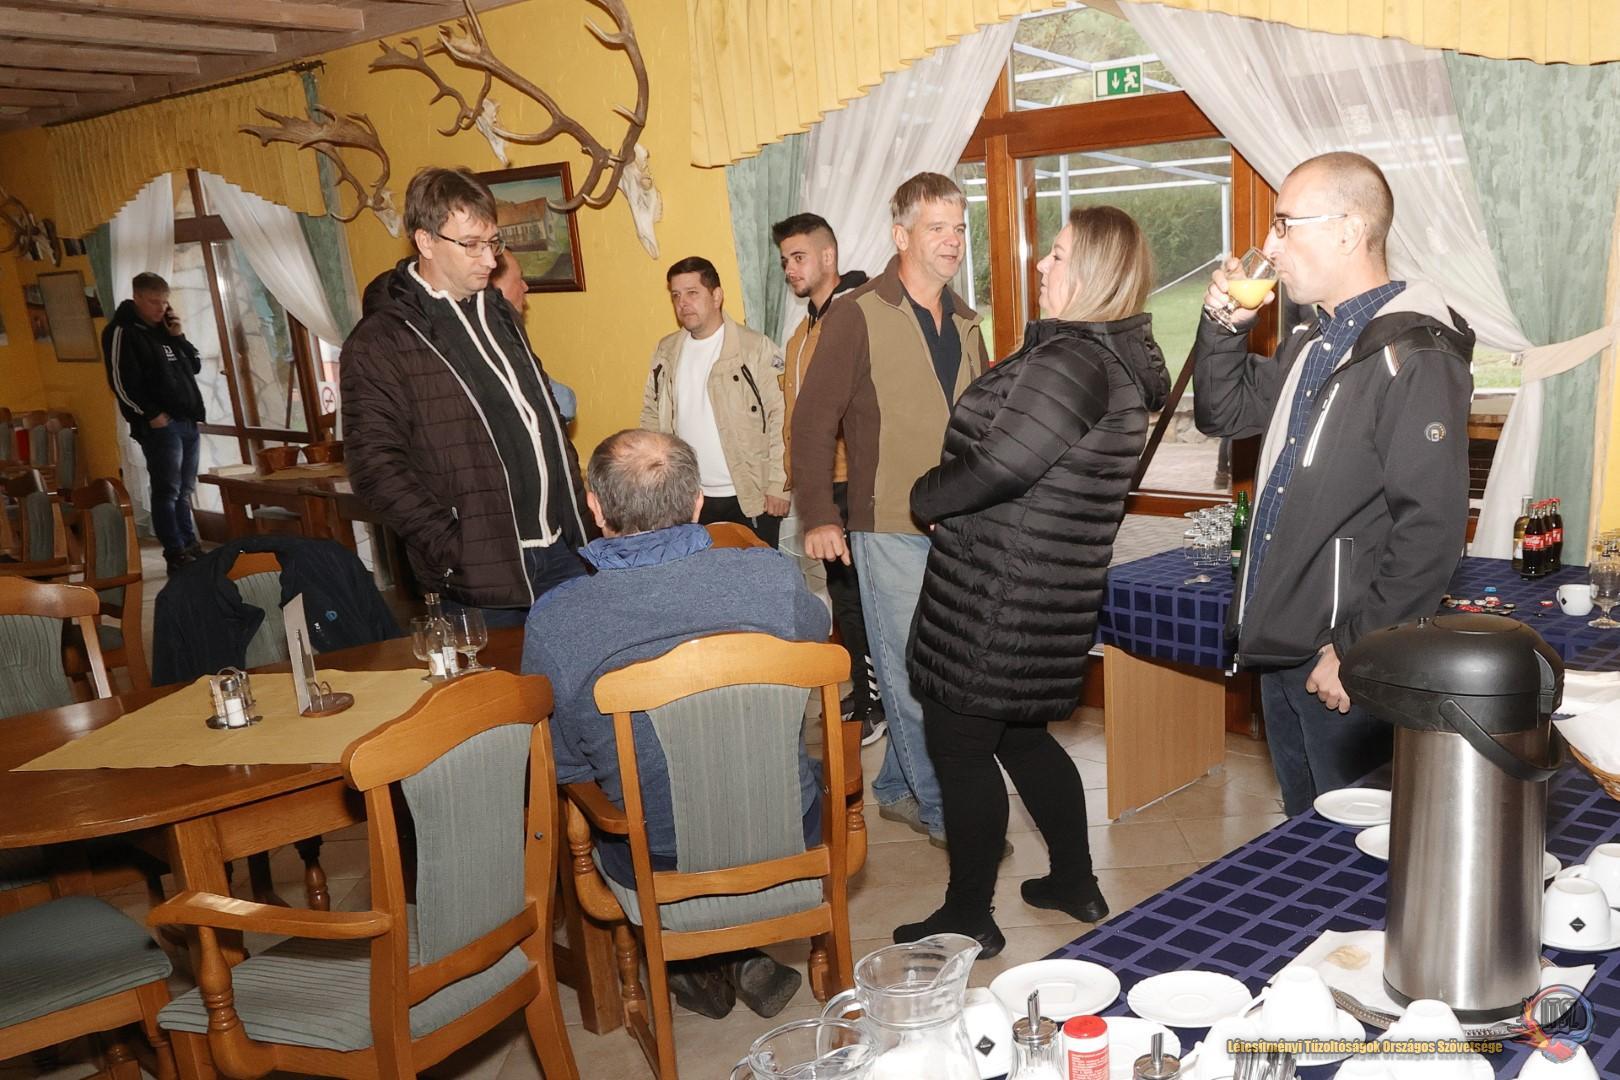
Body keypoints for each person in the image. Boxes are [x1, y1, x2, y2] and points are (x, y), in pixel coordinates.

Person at [895, 207, 1169, 953]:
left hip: (999, 591)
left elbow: (999, 466)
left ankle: (968, 914)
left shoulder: (1074, 361)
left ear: (1096, 273)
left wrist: (925, 498)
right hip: (1043, 586)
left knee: (960, 746)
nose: (1042, 265)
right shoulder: (1108, 359)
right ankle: (1073, 880)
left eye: (1059, 254)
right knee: (1021, 737)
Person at [1193, 151, 1474, 816]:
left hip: (1340, 656)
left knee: (1355, 849)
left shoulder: (1414, 353)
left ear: (1349, 231)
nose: (1270, 248)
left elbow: (1431, 527)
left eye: (1285, 225)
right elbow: (1223, 413)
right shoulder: (1317, 341)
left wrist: (1354, 649)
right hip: (1285, 642)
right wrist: (1224, 327)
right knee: (1304, 832)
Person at [523, 429, 826, 1021]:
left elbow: (564, 761)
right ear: (697, 502)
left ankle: (696, 960)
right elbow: (815, 650)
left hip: (658, 854)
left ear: (595, 507)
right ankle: (725, 955)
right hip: (789, 829)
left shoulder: (559, 620)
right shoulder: (771, 578)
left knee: (613, 795)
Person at [792, 172, 989, 848]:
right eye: (937, 228)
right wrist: (819, 514)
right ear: (901, 235)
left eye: (959, 228)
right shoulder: (857, 314)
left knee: (954, 671)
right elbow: (813, 422)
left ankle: (899, 787)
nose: (953, 241)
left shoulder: (967, 321)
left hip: (961, 529)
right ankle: (944, 809)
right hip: (887, 527)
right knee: (910, 676)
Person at [341, 167, 591, 627]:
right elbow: (374, 468)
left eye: (493, 242)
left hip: (561, 552)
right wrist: (453, 544)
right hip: (481, 575)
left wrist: (579, 512)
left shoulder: (500, 313)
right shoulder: (381, 341)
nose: (489, 259)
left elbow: (542, 420)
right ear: (426, 241)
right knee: (500, 678)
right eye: (471, 244)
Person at [773, 212, 884, 743]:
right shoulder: (802, 332)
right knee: (844, 598)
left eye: (799, 257)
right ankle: (865, 689)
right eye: (784, 261)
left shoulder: (857, 315)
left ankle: (879, 701)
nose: (790, 269)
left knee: (864, 596)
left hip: (854, 481)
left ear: (828, 256)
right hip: (819, 485)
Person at [640, 256, 788, 547]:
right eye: (676, 295)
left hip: (751, 496)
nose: (683, 303)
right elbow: (651, 418)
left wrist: (779, 484)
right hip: (689, 498)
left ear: (717, 296)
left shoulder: (754, 348)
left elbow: (782, 419)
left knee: (757, 574)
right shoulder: (666, 351)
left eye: (692, 293)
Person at [102, 272, 205, 574]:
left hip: (187, 419)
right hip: (160, 424)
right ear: (137, 298)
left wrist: (178, 336)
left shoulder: (165, 330)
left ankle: (190, 544)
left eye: (164, 302)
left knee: (185, 489)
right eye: (153, 302)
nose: (160, 308)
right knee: (167, 490)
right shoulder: (121, 331)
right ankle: (175, 551)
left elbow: (195, 365)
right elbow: (120, 382)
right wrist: (150, 415)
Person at [490, 250, 578, 424]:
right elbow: (564, 405)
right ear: (495, 288)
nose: (525, 287)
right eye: (519, 279)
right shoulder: (499, 340)